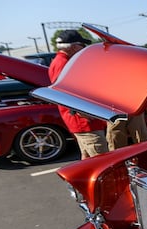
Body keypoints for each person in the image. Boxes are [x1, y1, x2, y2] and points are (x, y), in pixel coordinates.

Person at [48, 30, 108, 159]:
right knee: (102, 160)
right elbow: (63, 92)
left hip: (82, 120)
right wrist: (84, 112)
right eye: (82, 46)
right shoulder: (63, 63)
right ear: (74, 46)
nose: (83, 49)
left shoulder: (62, 61)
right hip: (84, 121)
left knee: (87, 159)